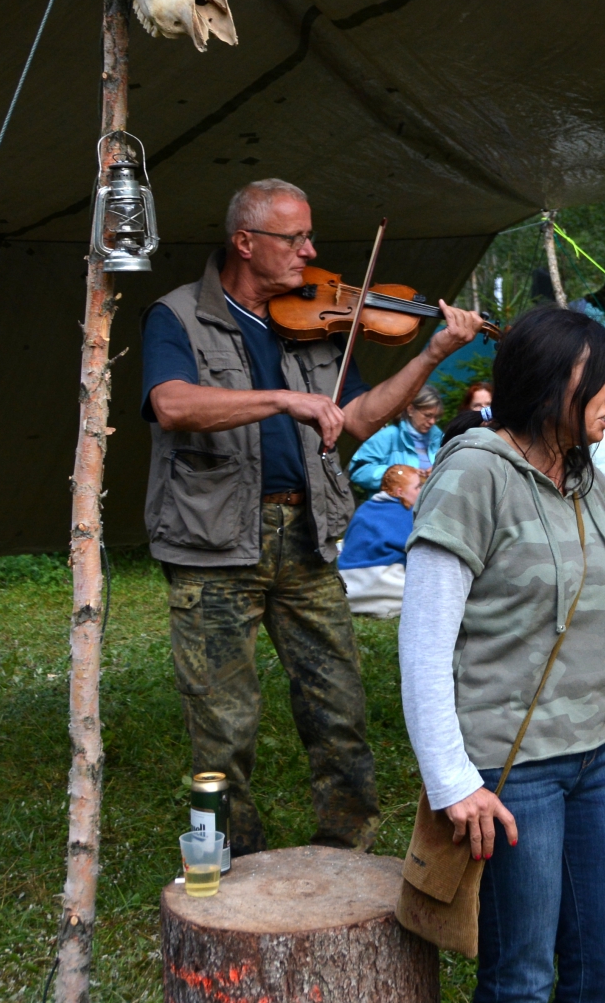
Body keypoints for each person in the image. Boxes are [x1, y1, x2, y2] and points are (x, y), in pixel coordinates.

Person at [141, 178, 484, 855]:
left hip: (306, 536)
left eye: (309, 237)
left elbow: (357, 418)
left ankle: (345, 852)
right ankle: (229, 864)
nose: (310, 252)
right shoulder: (178, 315)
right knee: (222, 726)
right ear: (246, 242)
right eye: (294, 238)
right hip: (212, 541)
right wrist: (282, 399)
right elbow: (172, 404)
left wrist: (432, 354)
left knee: (339, 709)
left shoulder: (313, 319)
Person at [401, 305, 605, 1001]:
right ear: (549, 383)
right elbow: (423, 645)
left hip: (596, 757)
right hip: (511, 771)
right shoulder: (474, 476)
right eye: (602, 380)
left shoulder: (587, 479)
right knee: (520, 981)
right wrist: (452, 782)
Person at [337, 464, 422, 617]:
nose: (421, 491)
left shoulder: (364, 509)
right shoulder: (408, 514)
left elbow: (346, 544)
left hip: (350, 588)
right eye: (417, 487)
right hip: (386, 587)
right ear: (400, 492)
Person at [349, 385, 445, 492]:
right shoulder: (388, 436)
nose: (432, 421)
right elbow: (357, 471)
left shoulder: (440, 439)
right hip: (394, 502)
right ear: (411, 409)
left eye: (436, 417)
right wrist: (399, 475)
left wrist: (439, 471)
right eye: (427, 415)